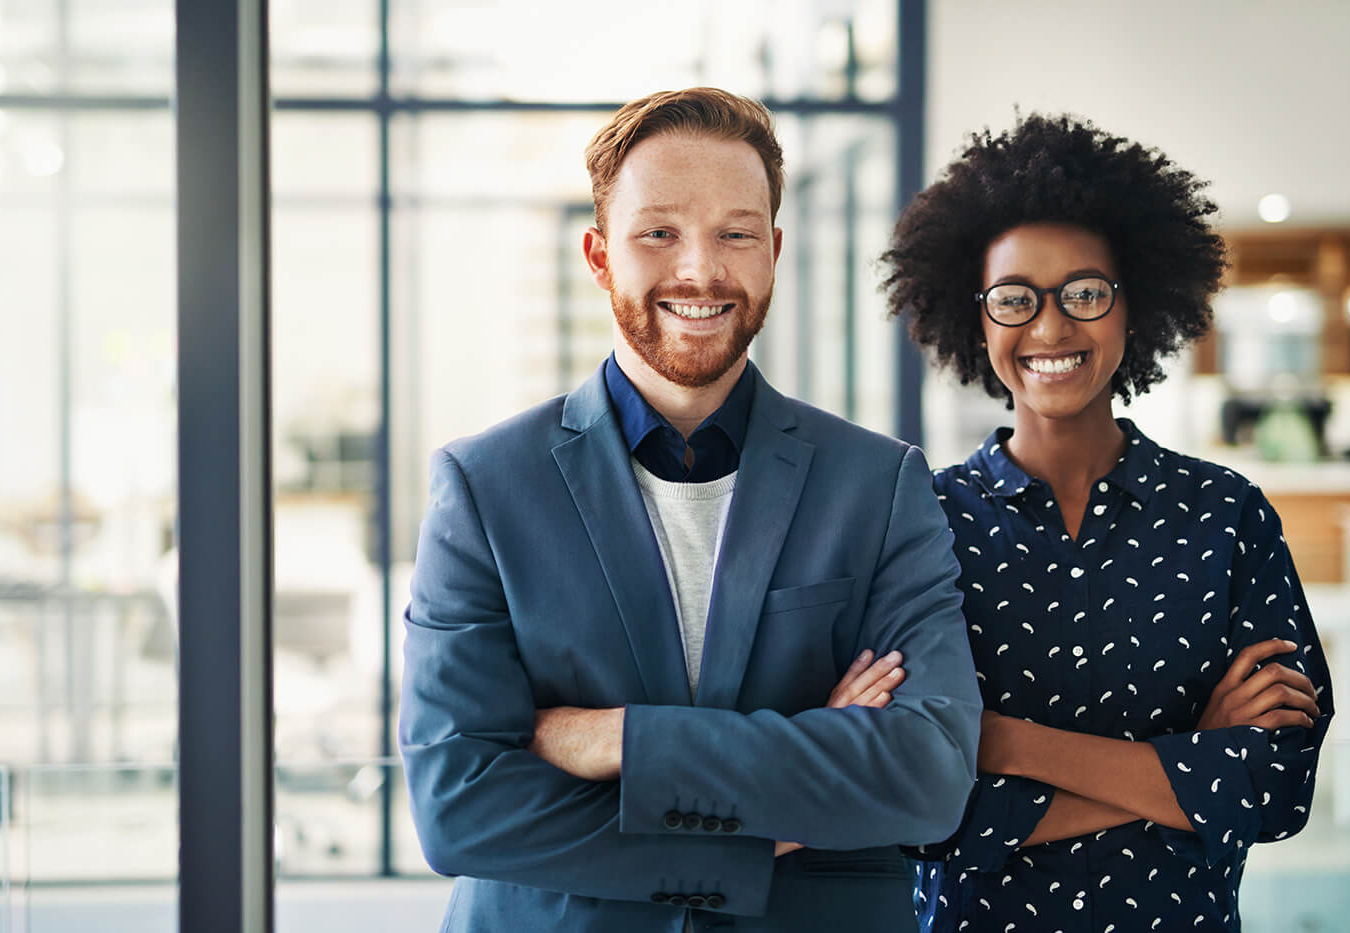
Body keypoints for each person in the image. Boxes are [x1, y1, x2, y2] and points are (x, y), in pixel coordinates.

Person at [400, 87, 983, 933]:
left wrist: (616, 740)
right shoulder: (484, 486)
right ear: (601, 256)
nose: (701, 271)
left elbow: (927, 777)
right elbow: (459, 806)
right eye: (659, 233)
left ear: (774, 250)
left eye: (735, 234)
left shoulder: (881, 485)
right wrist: (782, 797)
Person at [881, 113, 1333, 932]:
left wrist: (1002, 743)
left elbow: (1273, 788)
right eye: (1015, 298)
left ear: (1135, 307)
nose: (1051, 327)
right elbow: (916, 808)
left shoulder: (1226, 516)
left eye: (1085, 292)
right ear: (977, 319)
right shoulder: (920, 523)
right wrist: (1188, 765)